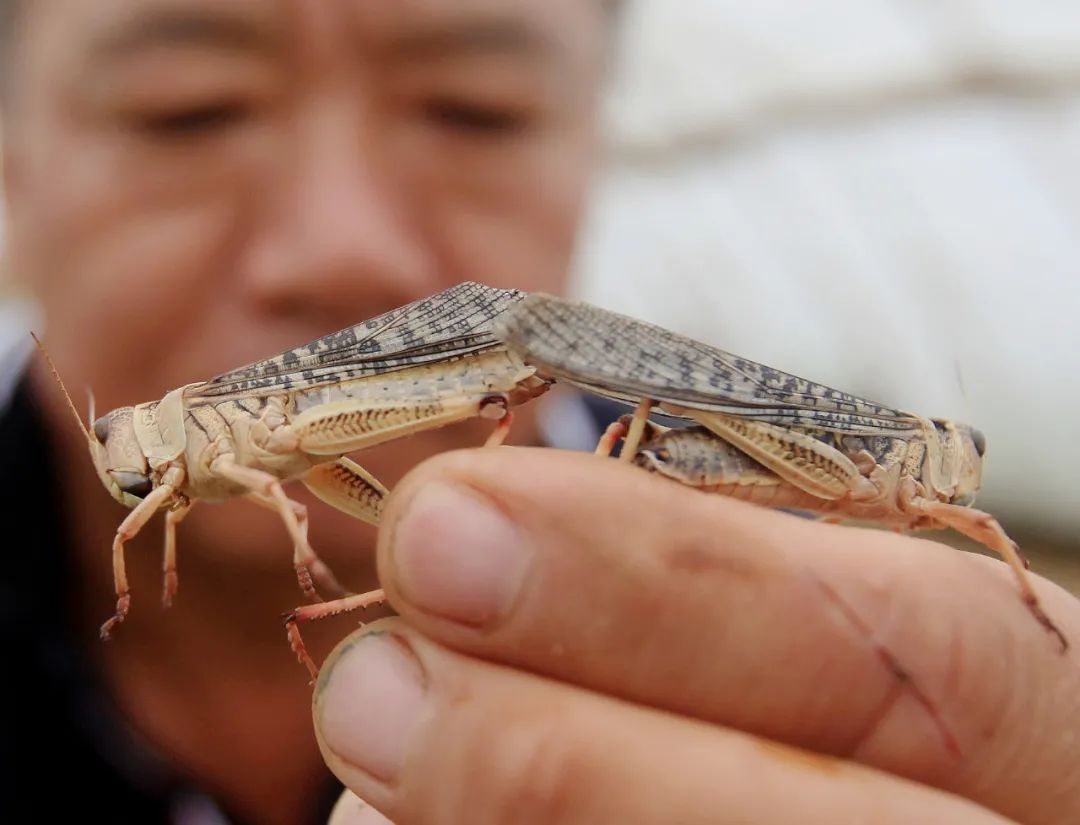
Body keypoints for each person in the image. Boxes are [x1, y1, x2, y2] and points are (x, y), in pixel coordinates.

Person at [2, 2, 1077, 824]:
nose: (343, 243)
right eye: (184, 106)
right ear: (10, 175)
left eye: (475, 108)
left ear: (594, 147)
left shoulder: (814, 609)